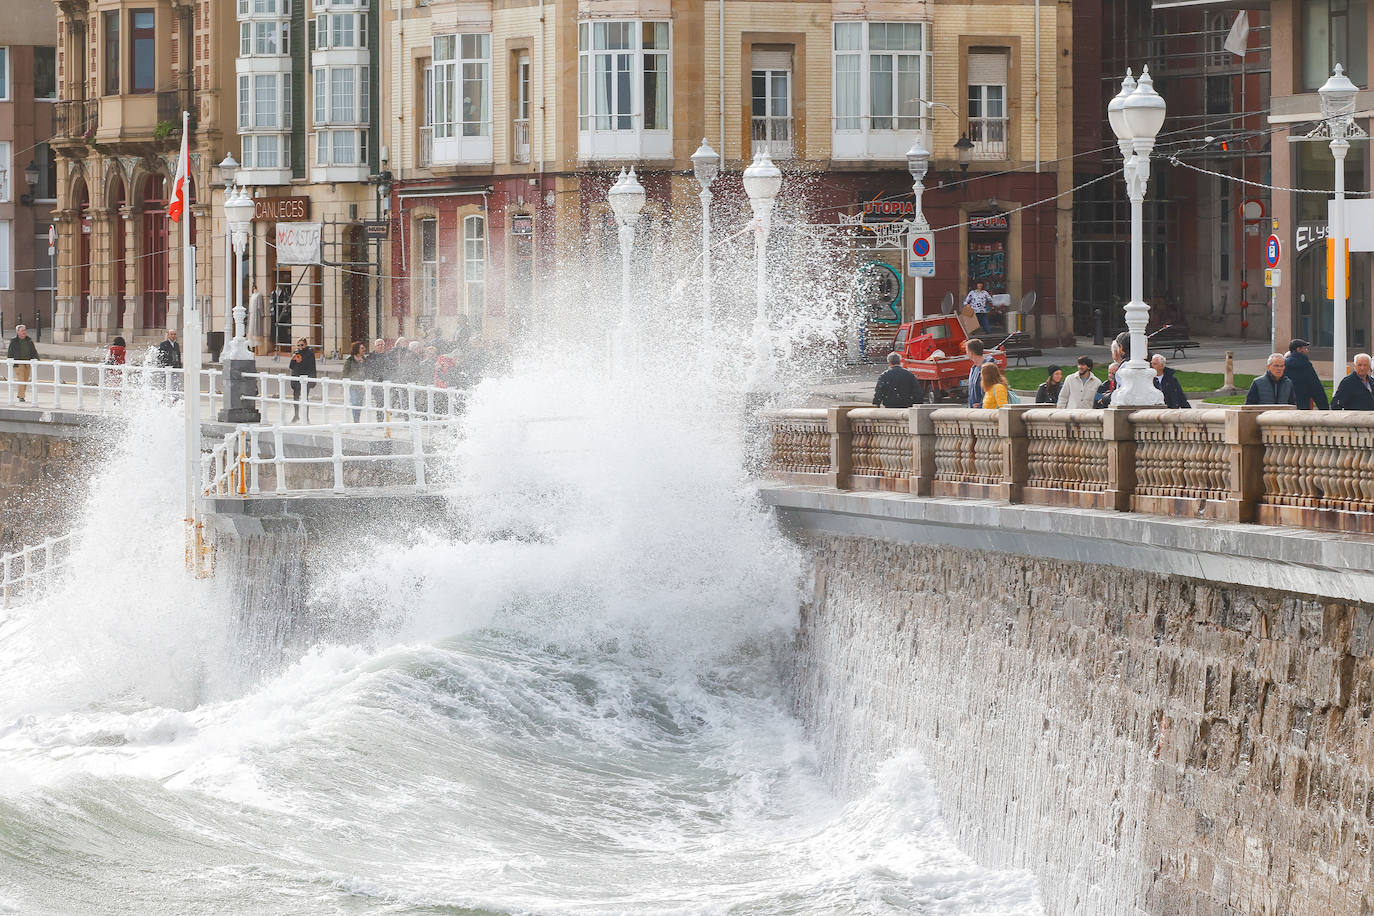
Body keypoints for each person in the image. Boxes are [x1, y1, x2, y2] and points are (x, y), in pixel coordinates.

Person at [1284, 339, 1329, 410]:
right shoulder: (1306, 365)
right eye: (1305, 348)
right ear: (1298, 349)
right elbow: (1316, 388)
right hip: (1303, 406)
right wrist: (1324, 408)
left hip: (1286, 406)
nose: (1307, 351)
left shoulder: (1283, 365)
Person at [7, 324, 38, 402]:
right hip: (18, 363)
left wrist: (36, 359)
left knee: (25, 380)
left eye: (25, 330)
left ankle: (21, 394)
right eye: (22, 330)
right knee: (21, 379)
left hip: (27, 363)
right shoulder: (14, 341)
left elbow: (34, 351)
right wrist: (11, 362)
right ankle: (21, 396)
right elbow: (10, 352)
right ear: (18, 332)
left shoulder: (29, 340)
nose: (24, 332)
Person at [289, 337, 317, 422]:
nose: (300, 347)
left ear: (305, 345)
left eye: (302, 345)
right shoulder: (296, 352)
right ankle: (296, 415)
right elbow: (291, 366)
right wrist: (293, 360)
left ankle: (306, 416)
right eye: (298, 345)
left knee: (305, 397)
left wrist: (301, 360)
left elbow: (311, 366)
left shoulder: (309, 353)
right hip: (296, 376)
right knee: (295, 397)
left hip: (306, 377)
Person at [341, 341, 368, 422]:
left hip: (362, 385)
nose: (364, 349)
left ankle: (357, 419)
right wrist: (343, 384)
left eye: (364, 348)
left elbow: (367, 372)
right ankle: (356, 420)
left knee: (360, 403)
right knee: (355, 402)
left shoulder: (364, 359)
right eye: (362, 348)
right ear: (357, 349)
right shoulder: (350, 360)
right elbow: (345, 373)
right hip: (353, 385)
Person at [964, 338, 991, 407]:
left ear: (971, 352)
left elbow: (990, 390)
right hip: (974, 410)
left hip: (985, 410)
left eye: (967, 350)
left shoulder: (988, 368)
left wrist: (981, 405)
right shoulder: (973, 368)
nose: (966, 353)